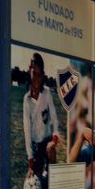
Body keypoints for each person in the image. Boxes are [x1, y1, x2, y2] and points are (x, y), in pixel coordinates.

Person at [22, 53, 58, 181]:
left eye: (39, 75)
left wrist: (54, 139)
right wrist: (30, 161)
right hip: (36, 146)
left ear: (42, 75)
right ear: (29, 70)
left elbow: (54, 117)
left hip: (47, 142)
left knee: (50, 181)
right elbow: (27, 131)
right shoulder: (26, 99)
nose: (36, 78)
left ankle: (51, 169)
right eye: (34, 73)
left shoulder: (47, 93)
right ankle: (39, 170)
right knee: (35, 184)